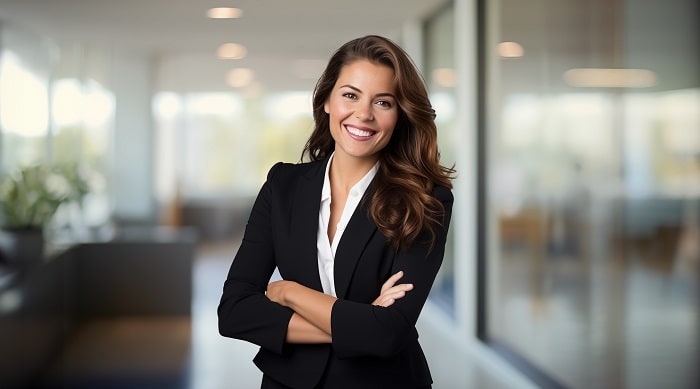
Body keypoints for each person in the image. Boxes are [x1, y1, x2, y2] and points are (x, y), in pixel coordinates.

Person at [218, 34, 455, 389]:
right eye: (350, 95)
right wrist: (357, 323)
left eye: (384, 102)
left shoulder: (425, 200)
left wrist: (287, 292)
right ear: (327, 100)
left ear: (400, 114)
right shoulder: (282, 186)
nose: (363, 114)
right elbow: (234, 312)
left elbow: (388, 332)